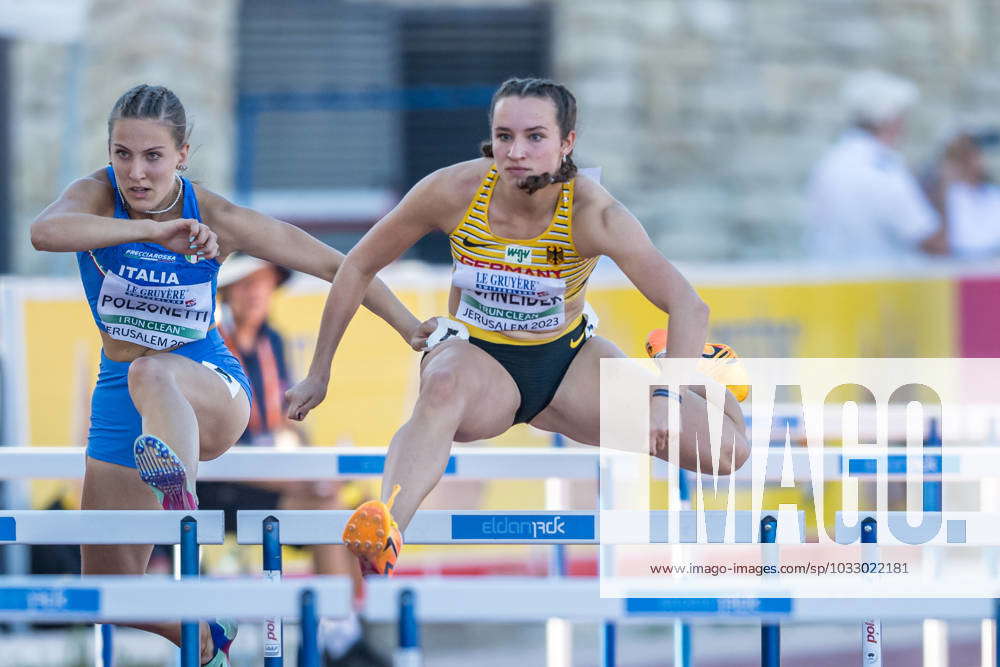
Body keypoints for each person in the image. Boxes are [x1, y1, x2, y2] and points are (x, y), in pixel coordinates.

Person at [285, 77, 751, 576]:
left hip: (569, 364)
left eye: (535, 137)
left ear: (567, 143)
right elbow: (357, 265)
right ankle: (387, 525)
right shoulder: (453, 191)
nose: (516, 152)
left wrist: (667, 397)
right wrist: (320, 371)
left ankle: (700, 374)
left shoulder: (595, 213)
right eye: (504, 136)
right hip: (478, 360)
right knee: (440, 387)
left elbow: (688, 306)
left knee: (727, 454)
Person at [30, 84, 422, 665]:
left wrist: (411, 329)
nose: (136, 173)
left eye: (154, 157)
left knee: (153, 371)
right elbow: (45, 233)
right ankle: (209, 635)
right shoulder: (94, 195)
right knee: (105, 594)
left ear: (183, 154)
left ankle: (181, 499)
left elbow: (339, 264)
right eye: (123, 154)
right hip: (123, 400)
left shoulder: (213, 214)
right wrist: (149, 231)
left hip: (210, 386)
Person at [198, 254, 388, 666]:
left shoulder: (274, 341)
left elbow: (287, 422)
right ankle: (337, 639)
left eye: (262, 284)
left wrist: (310, 464)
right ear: (226, 291)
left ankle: (337, 633)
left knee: (353, 511)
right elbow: (219, 447)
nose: (256, 294)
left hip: (270, 477)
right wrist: (299, 480)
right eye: (246, 284)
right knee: (325, 510)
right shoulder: (208, 343)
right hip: (218, 484)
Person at [805, 69, 947, 261]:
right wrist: (944, 186)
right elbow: (932, 242)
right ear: (890, 120)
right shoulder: (883, 169)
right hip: (877, 286)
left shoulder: (831, 163)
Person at [922, 130, 1000, 258]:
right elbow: (938, 244)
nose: (970, 160)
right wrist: (944, 187)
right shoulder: (943, 195)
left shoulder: (994, 196)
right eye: (963, 155)